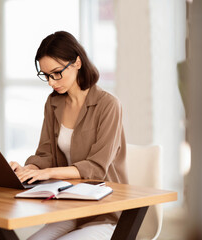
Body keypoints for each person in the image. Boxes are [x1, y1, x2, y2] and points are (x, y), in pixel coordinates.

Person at [9, 31, 128, 240]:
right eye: (46, 75)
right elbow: (45, 153)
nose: (51, 82)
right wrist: (31, 169)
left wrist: (49, 173)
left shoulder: (108, 105)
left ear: (77, 63)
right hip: (69, 207)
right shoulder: (53, 103)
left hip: (105, 211)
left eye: (56, 73)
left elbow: (97, 168)